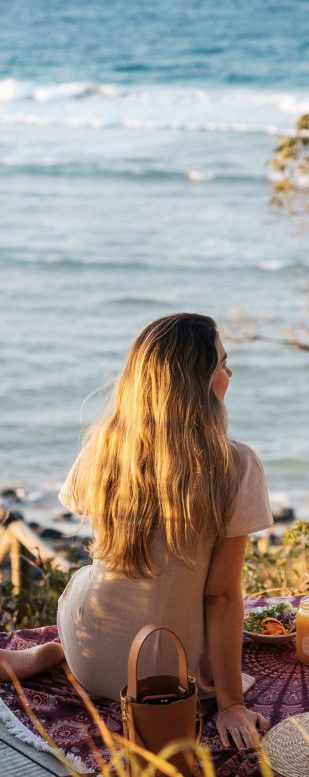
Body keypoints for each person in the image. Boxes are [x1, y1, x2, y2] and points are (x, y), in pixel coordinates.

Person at [1, 314, 272, 750]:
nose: (230, 373)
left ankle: (57, 653)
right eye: (222, 363)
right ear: (198, 380)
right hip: (169, 675)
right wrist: (231, 704)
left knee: (89, 580)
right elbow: (220, 597)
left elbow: (81, 511)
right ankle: (55, 655)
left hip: (91, 651)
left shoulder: (106, 446)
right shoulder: (236, 465)